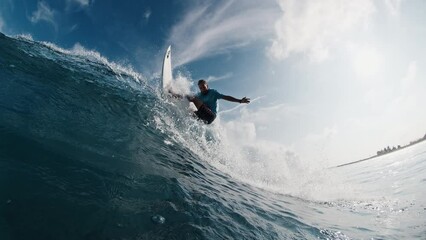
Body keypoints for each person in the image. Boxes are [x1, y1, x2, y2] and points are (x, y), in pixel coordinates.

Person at [171, 79, 250, 124]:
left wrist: (239, 100)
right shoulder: (199, 95)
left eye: (204, 87)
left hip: (211, 116)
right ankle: (173, 94)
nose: (202, 89)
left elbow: (226, 97)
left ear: (207, 86)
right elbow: (187, 97)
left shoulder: (213, 93)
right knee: (189, 112)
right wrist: (177, 95)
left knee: (193, 98)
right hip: (205, 119)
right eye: (200, 88)